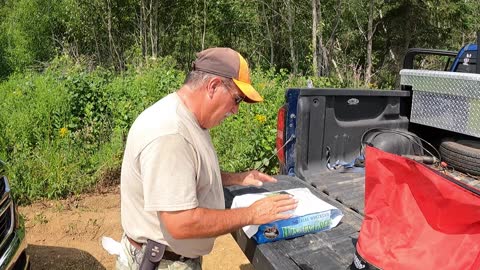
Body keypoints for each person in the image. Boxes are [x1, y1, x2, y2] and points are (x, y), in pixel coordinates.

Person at [118, 47, 298, 270]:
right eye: (236, 99)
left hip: (170, 258)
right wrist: (252, 214)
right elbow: (181, 223)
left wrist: (236, 178)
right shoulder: (171, 134)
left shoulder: (187, 118)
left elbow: (186, 176)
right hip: (162, 263)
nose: (235, 110)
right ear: (213, 86)